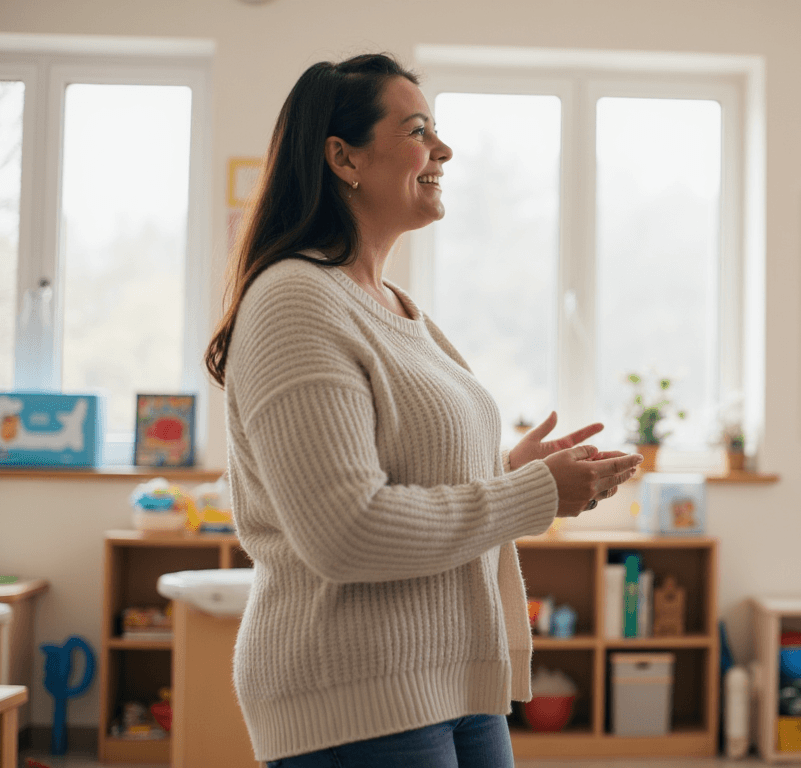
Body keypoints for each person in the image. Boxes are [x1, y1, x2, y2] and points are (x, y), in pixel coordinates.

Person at [203, 53, 641, 767]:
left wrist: (508, 470)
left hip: (457, 682)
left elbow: (401, 471)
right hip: (353, 695)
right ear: (343, 157)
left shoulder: (398, 307)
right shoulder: (294, 300)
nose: (444, 150)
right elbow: (346, 530)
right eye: (417, 130)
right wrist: (532, 494)